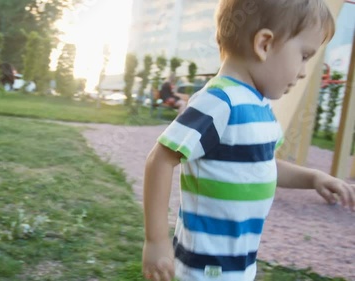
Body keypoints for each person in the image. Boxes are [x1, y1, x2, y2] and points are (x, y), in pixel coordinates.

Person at [142, 1, 355, 281]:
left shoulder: (260, 106)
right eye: (304, 56)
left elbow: (263, 164)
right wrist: (156, 240)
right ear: (264, 44)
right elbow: (160, 160)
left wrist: (313, 178)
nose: (304, 71)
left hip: (239, 263)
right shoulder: (219, 102)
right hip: (204, 268)